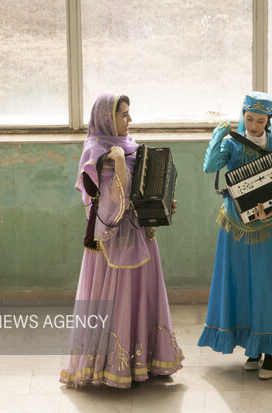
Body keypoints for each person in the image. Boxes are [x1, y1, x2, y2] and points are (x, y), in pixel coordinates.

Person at [60, 93, 184, 389]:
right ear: (107, 118)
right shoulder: (97, 153)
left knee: (141, 295)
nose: (130, 120)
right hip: (113, 245)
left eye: (129, 114)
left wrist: (162, 203)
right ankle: (115, 366)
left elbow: (139, 194)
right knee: (118, 299)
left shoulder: (129, 147)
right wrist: (116, 164)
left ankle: (146, 360)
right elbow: (112, 203)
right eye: (124, 115)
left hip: (139, 237)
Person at [197, 91, 272, 380]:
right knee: (242, 286)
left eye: (260, 120)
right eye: (249, 119)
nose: (254, 126)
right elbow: (210, 167)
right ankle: (252, 349)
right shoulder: (232, 144)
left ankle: (271, 352)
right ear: (242, 116)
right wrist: (217, 136)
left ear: (269, 120)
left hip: (267, 228)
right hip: (233, 225)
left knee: (265, 286)